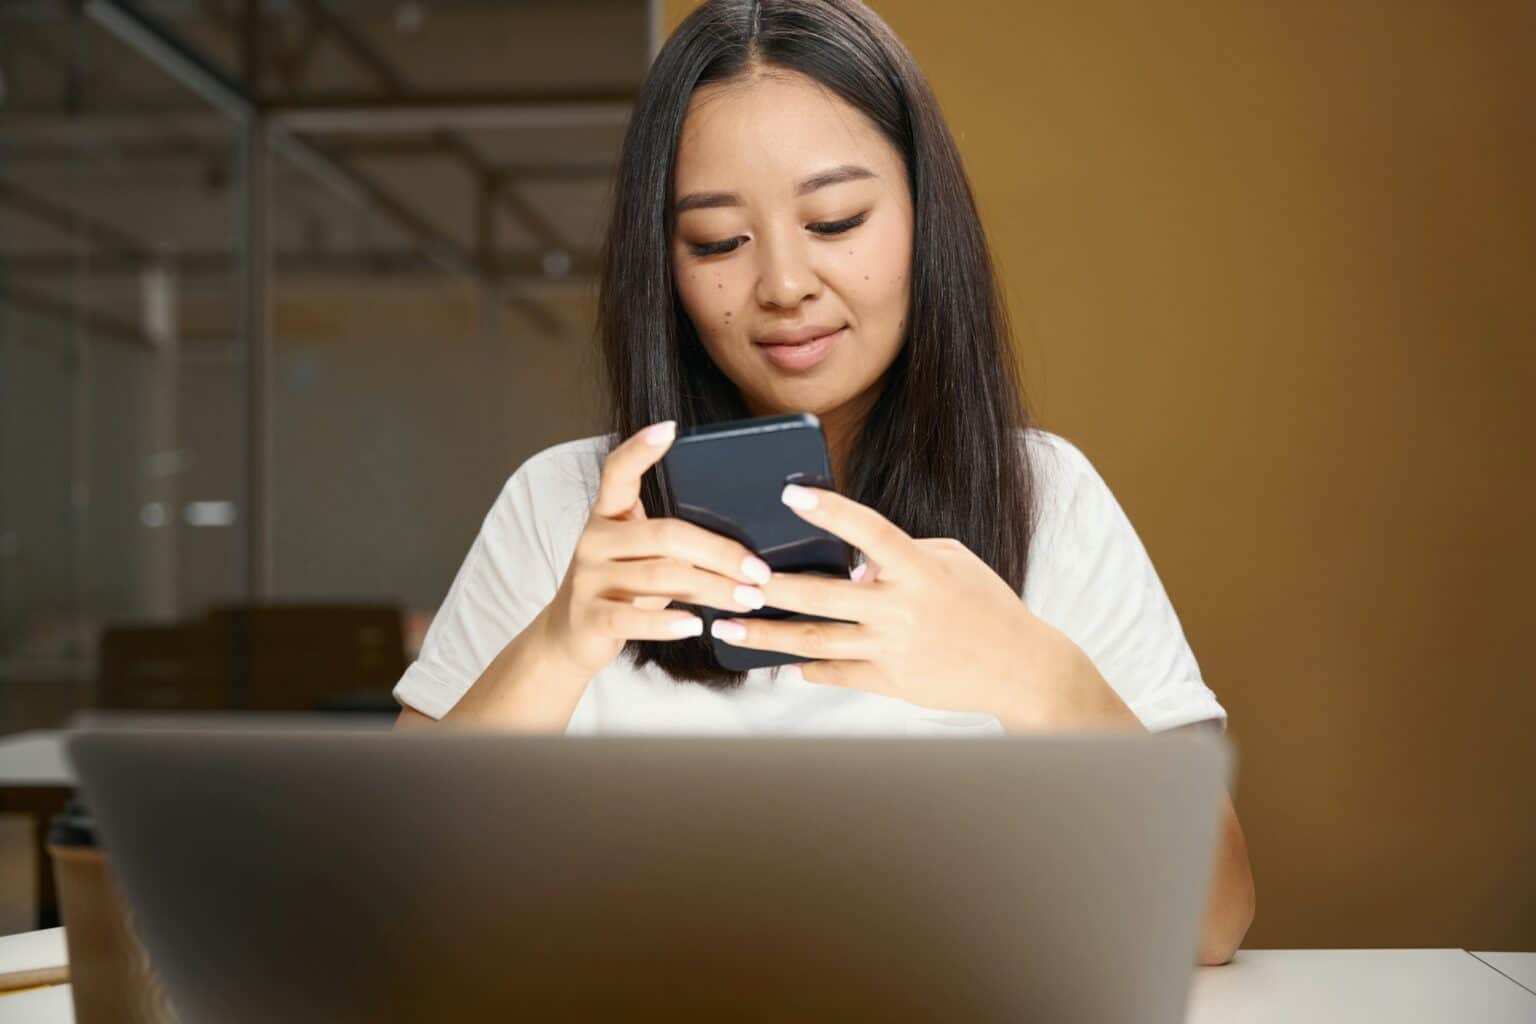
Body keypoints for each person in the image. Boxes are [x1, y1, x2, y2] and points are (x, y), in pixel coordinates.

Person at [392, 0, 1254, 964]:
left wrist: (1039, 679)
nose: (784, 284)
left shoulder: (1045, 495)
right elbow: (380, 888)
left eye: (836, 219)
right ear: (662, 264)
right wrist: (555, 646)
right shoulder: (563, 505)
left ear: (928, 216)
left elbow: (1213, 922)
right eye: (717, 241)